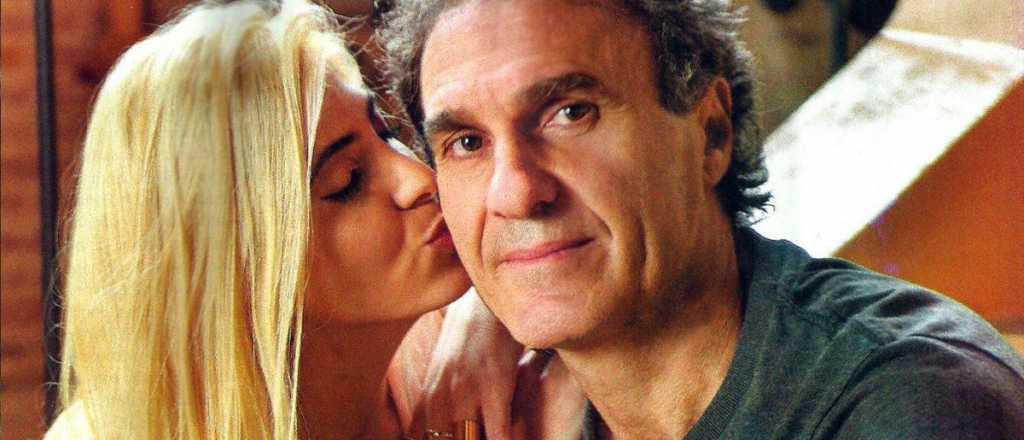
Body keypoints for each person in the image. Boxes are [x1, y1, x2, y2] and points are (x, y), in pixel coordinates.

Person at [378, 0, 1024, 438]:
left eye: (571, 113)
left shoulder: (904, 399)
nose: (516, 192)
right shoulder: (522, 406)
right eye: (467, 143)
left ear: (710, 133)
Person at [44, 0, 535, 438]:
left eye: (385, 132)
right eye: (348, 180)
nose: (420, 179)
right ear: (239, 269)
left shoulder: (483, 364)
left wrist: (488, 316)